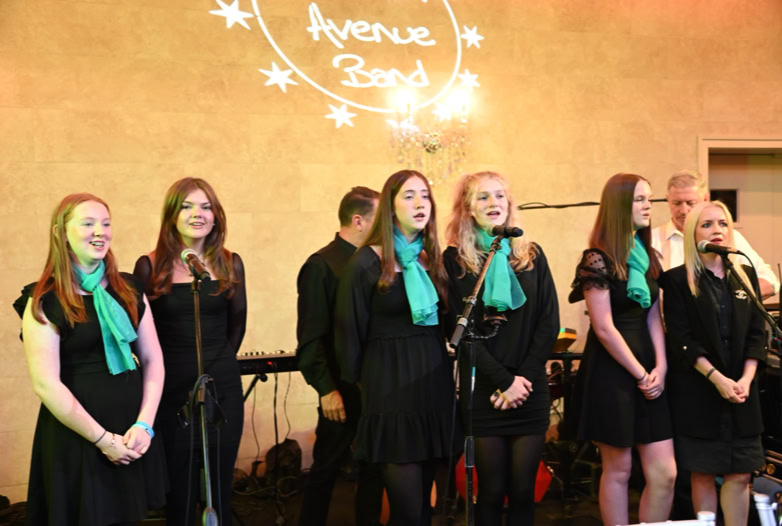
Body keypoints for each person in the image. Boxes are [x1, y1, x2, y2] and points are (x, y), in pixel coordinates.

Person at [14, 193, 167, 525]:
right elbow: (45, 384)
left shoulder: (129, 289)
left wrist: (145, 425)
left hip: (130, 430)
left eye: (106, 223)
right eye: (87, 223)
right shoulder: (44, 300)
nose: (100, 232)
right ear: (61, 233)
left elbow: (152, 359)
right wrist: (103, 440)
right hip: (78, 436)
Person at [336, 170, 462, 526]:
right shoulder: (366, 261)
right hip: (390, 386)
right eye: (409, 196)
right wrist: (363, 385)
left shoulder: (434, 260)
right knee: (405, 511)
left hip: (432, 384)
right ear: (390, 207)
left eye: (425, 195)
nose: (420, 203)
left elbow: (450, 323)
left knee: (424, 508)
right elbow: (348, 332)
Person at [443, 171, 560, 525]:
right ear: (468, 208)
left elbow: (548, 322)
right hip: (484, 390)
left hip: (529, 388)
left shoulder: (532, 255)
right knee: (491, 492)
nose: (493, 203)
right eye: (483, 197)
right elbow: (459, 330)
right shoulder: (455, 261)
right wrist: (503, 381)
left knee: (524, 492)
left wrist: (522, 380)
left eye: (499, 195)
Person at [133, 178, 246, 526]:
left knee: (219, 487)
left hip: (222, 387)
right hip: (171, 388)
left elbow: (237, 325)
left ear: (216, 216)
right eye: (187, 206)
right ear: (172, 215)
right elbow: (139, 336)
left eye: (206, 206)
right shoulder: (149, 266)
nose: (198, 214)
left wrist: (218, 364)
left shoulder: (230, 263)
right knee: (179, 492)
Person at [569, 173, 676, 526]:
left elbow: (654, 317)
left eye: (649, 199)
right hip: (612, 371)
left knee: (665, 473)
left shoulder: (648, 256)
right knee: (619, 469)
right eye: (640, 199)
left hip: (649, 366)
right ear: (619, 205)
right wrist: (640, 374)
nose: (648, 206)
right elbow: (603, 328)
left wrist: (661, 366)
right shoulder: (597, 258)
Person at [660, 201, 766, 526]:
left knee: (740, 474)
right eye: (706, 225)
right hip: (700, 391)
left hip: (742, 392)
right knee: (703, 474)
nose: (716, 230)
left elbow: (756, 334)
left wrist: (745, 380)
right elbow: (682, 340)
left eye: (722, 223)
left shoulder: (744, 275)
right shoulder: (677, 280)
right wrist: (717, 379)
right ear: (693, 233)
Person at [296, 186, 384, 526]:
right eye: (381, 218)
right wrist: (326, 389)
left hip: (375, 387)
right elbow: (311, 337)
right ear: (358, 221)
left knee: (374, 470)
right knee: (326, 470)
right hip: (340, 390)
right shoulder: (321, 265)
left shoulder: (377, 262)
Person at [651, 170, 778, 298]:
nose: (684, 210)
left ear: (705, 199)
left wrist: (734, 299)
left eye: (691, 203)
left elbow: (770, 281)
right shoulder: (652, 240)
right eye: (677, 203)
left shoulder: (727, 237)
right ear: (668, 200)